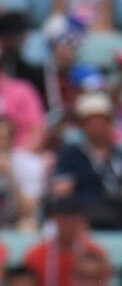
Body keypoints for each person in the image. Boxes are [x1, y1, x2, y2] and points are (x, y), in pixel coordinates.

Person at [52, 92, 122, 230]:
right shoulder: (71, 155)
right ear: (82, 125)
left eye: (101, 121)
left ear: (109, 124)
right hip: (85, 219)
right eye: (91, 122)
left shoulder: (118, 154)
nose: (97, 126)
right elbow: (61, 190)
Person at [23, 197, 107, 286]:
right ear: (55, 220)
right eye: (64, 221)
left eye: (73, 221)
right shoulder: (35, 254)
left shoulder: (95, 252)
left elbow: (102, 285)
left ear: (81, 222)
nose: (68, 226)